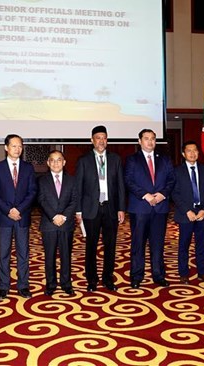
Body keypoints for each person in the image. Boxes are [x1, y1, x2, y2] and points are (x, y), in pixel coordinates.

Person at [75, 125, 126, 292]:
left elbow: (120, 185)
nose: (101, 141)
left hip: (111, 208)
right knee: (91, 245)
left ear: (107, 140)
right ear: (92, 140)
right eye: (98, 138)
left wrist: (121, 208)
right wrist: (78, 210)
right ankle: (92, 279)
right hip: (91, 209)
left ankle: (107, 278)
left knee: (110, 245)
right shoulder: (84, 161)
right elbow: (79, 187)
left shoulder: (116, 159)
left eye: (104, 138)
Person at [125, 129, 175, 288]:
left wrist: (162, 194)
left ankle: (158, 275)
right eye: (146, 139)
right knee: (138, 243)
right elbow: (128, 181)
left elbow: (171, 180)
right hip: (140, 207)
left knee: (158, 244)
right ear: (139, 141)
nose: (150, 142)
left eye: (153, 139)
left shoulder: (165, 160)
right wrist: (145, 195)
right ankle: (136, 276)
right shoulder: (132, 160)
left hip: (160, 207)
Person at [0, 134, 37, 300]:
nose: (18, 149)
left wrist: (20, 209)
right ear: (6, 148)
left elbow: (32, 192)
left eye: (20, 146)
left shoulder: (28, 167)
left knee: (23, 253)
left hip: (22, 217)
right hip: (4, 217)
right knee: (4, 253)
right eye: (14, 146)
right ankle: (3, 286)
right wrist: (9, 210)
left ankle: (23, 285)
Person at [171, 141, 204, 285]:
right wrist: (187, 210)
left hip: (202, 213)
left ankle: (202, 272)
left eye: (195, 150)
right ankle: (183, 273)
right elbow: (175, 193)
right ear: (183, 154)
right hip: (186, 214)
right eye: (189, 151)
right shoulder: (177, 171)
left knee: (201, 245)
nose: (192, 153)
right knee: (184, 245)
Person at [37, 150, 78, 296]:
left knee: (66, 255)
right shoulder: (42, 180)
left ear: (64, 162)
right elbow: (41, 200)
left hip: (66, 224)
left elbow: (74, 201)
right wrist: (54, 216)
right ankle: (51, 284)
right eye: (52, 160)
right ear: (48, 163)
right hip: (49, 224)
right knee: (50, 256)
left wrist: (64, 217)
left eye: (59, 160)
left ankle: (66, 284)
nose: (56, 163)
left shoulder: (72, 180)